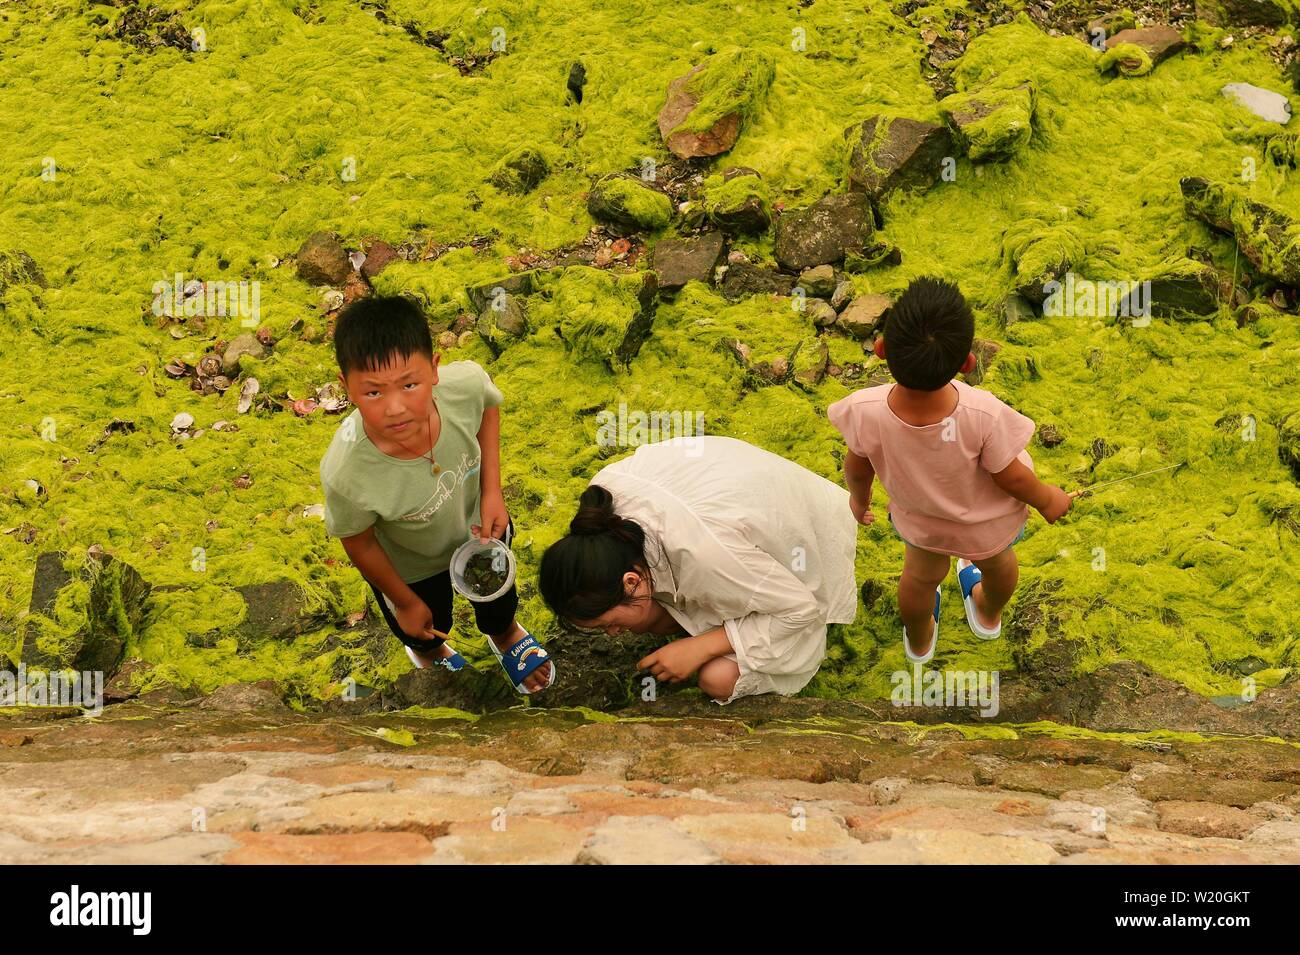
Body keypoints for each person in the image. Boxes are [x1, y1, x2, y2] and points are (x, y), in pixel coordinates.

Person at [827, 276, 1072, 665]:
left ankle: (921, 640)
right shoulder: (983, 413)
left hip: (924, 526)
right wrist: (1048, 498)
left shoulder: (863, 410)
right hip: (986, 528)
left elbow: (857, 466)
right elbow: (1008, 476)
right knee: (1000, 566)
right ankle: (988, 613)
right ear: (967, 363)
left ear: (881, 349)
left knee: (920, 580)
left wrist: (859, 501)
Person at [318, 295, 553, 694]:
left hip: (479, 528)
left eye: (410, 384)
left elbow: (487, 406)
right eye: (373, 392)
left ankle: (505, 632)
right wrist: (404, 601)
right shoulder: (346, 472)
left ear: (435, 371)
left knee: (496, 594)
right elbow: (357, 542)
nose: (395, 408)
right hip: (410, 566)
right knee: (426, 624)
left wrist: (491, 490)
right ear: (346, 387)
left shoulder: (462, 386)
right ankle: (429, 652)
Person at [538, 435, 857, 703]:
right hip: (735, 496)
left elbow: (799, 609)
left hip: (810, 536)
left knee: (717, 678)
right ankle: (719, 622)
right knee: (652, 616)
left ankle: (733, 636)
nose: (611, 634)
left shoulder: (708, 557)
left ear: (631, 580)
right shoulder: (600, 509)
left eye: (607, 623)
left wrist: (700, 647)